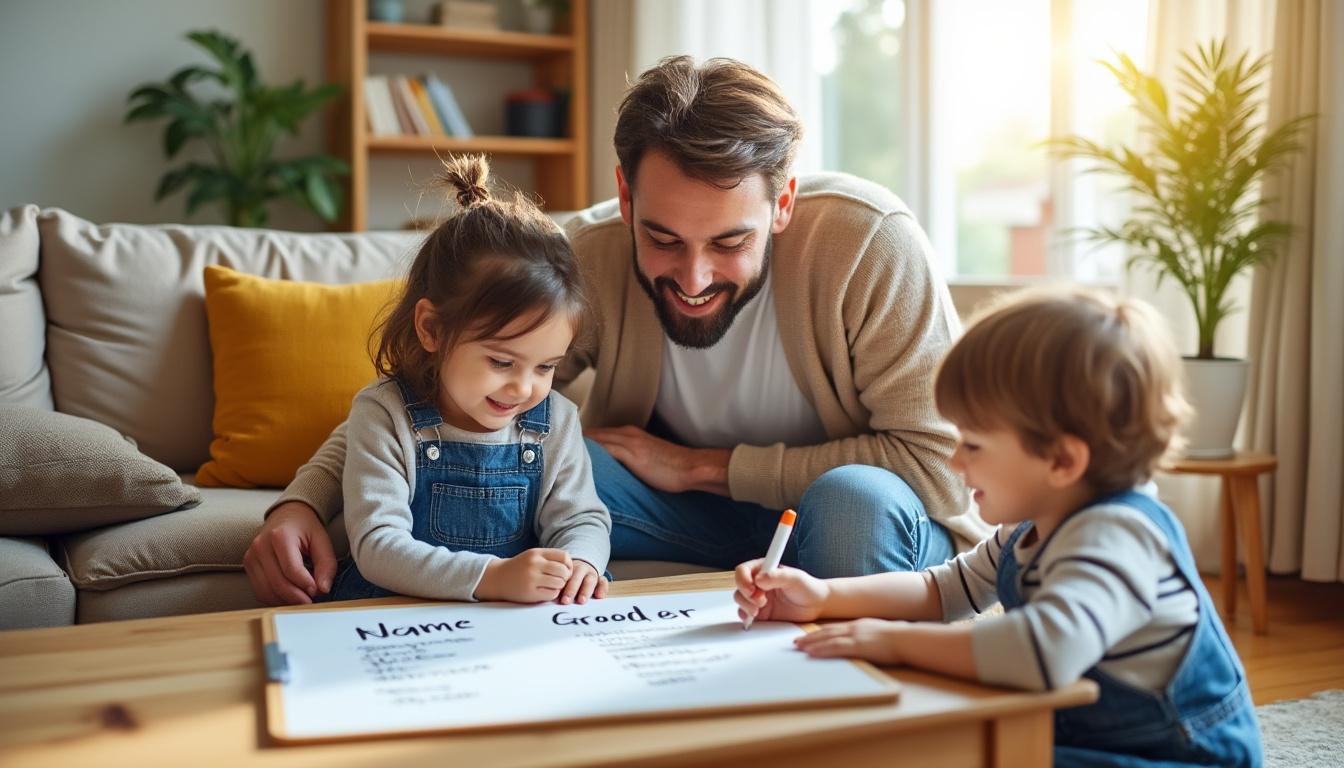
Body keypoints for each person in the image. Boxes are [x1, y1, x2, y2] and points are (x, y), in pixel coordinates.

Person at [245, 56, 989, 607]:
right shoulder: (588, 257)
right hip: (672, 517)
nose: (693, 279)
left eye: (729, 243)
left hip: (836, 518)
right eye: (663, 239)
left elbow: (934, 462)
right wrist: (302, 503)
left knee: (856, 501)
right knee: (538, 463)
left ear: (783, 202)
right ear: (627, 195)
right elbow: (430, 401)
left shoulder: (868, 244)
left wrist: (703, 466)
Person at [734, 287, 1263, 766]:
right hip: (1088, 738)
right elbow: (943, 589)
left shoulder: (1118, 537)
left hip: (1174, 755)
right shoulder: (1034, 523)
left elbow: (1041, 653)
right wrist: (822, 597)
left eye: (974, 443)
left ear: (1061, 460)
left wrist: (894, 643)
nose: (955, 461)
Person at [319, 154, 611, 606]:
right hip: (401, 613)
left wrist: (582, 562)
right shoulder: (384, 414)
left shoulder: (556, 420)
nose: (524, 389)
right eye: (501, 361)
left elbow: (583, 519)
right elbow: (377, 546)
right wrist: (492, 578)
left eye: (546, 366)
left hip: (516, 619)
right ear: (431, 329)